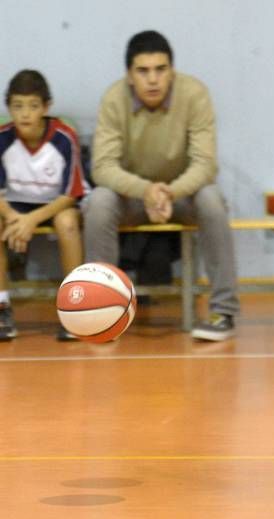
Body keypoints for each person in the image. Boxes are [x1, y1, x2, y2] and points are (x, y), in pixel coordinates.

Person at [83, 30, 239, 341]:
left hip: (180, 196)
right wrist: (146, 191)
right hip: (133, 198)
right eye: (143, 71)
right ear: (130, 75)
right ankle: (100, 312)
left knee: (211, 199)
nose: (153, 79)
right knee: (99, 201)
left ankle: (223, 312)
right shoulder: (114, 99)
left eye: (161, 69)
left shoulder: (194, 94)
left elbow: (205, 164)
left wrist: (169, 192)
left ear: (172, 70)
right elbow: (102, 167)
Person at [0, 70, 87, 341]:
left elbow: (70, 195)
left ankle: (75, 307)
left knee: (68, 223)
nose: (25, 114)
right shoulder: (2, 138)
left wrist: (31, 220)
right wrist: (15, 218)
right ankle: (2, 307)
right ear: (9, 108)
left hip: (55, 204)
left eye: (33, 106)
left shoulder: (64, 136)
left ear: (46, 107)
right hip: (15, 206)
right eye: (18, 106)